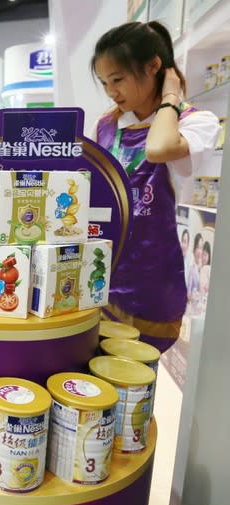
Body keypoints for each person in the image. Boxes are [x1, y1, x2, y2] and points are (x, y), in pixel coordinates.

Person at [91, 21, 220, 352]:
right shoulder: (106, 125)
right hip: (102, 279)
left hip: (153, 283)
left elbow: (158, 149)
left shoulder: (195, 123)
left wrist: (170, 97)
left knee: (137, 383)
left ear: (153, 67)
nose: (111, 91)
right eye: (105, 82)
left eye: (118, 79)